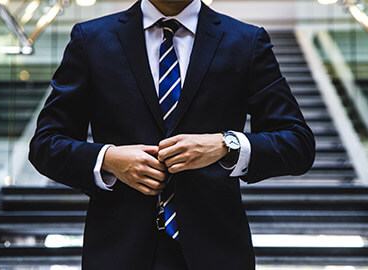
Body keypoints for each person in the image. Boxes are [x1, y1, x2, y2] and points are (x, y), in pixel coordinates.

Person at [29, 0, 315, 269]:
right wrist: (109, 159)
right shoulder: (91, 39)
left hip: (217, 250)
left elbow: (297, 143)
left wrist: (226, 144)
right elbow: (46, 144)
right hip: (117, 249)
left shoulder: (246, 41)